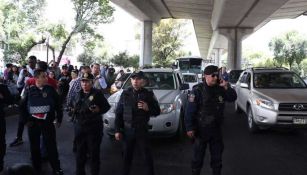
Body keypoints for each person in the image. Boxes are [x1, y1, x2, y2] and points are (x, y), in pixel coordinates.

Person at [184, 65, 237, 175]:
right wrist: (189, 128)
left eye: (217, 75)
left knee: (217, 160)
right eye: (213, 75)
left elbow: (232, 98)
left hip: (216, 130)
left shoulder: (221, 88)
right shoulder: (197, 90)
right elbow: (189, 111)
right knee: (197, 160)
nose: (215, 78)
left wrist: (227, 87)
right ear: (205, 76)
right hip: (200, 130)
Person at [114, 71, 160, 175]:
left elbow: (157, 111)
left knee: (146, 157)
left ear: (143, 81)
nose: (135, 81)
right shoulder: (125, 94)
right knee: (126, 157)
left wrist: (148, 108)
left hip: (142, 130)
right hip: (128, 130)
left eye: (138, 79)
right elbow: (119, 113)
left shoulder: (148, 94)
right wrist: (117, 130)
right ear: (131, 80)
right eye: (133, 79)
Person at [20, 69, 64, 175]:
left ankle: (56, 168)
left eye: (46, 76)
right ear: (37, 78)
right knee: (34, 148)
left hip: (47, 123)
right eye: (44, 76)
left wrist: (59, 119)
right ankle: (37, 168)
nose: (46, 78)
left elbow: (58, 105)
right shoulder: (29, 90)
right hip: (33, 124)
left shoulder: (50, 90)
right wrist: (25, 121)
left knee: (51, 146)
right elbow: (22, 107)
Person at [68, 73, 110, 175]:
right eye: (83, 81)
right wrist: (72, 110)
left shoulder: (97, 94)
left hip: (93, 128)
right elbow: (70, 106)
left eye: (87, 81)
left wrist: (98, 109)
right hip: (80, 127)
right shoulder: (77, 94)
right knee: (80, 153)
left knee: (94, 153)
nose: (84, 84)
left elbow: (106, 107)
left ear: (92, 82)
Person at [10, 56, 37, 147]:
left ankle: (36, 142)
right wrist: (23, 77)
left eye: (32, 62)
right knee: (21, 117)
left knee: (35, 118)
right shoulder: (23, 71)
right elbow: (19, 84)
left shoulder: (38, 71)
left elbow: (40, 82)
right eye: (29, 62)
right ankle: (19, 137)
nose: (30, 64)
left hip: (36, 97)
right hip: (25, 95)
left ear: (35, 62)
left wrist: (31, 76)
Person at [0, 83, 13, 172]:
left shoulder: (2, 87)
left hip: (0, 120)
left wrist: (2, 97)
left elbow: (10, 100)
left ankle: (0, 162)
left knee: (1, 141)